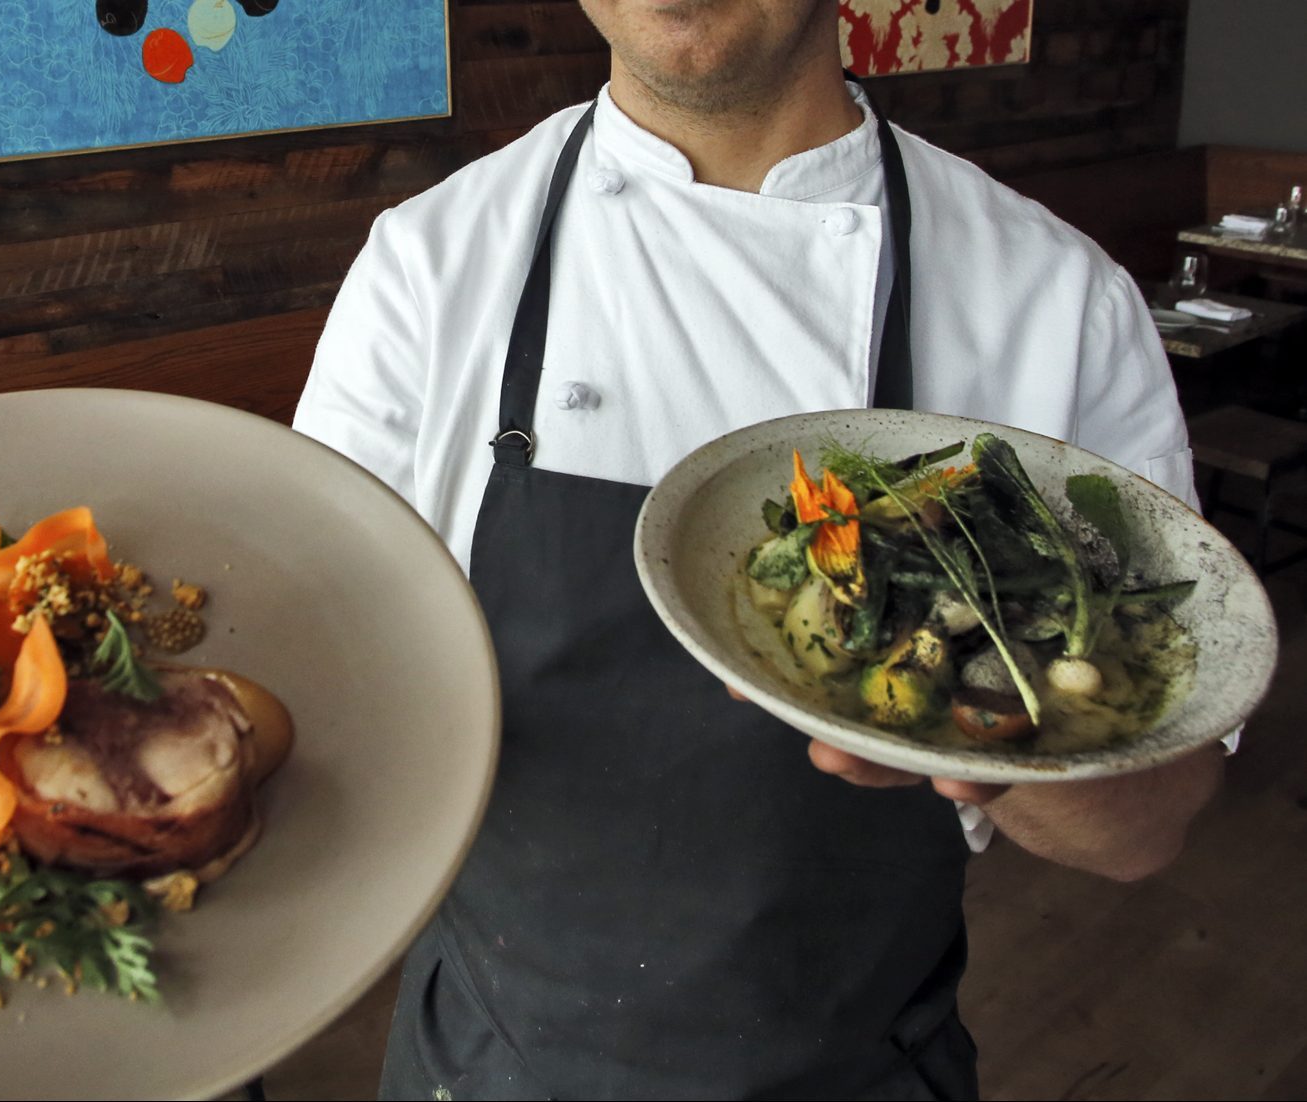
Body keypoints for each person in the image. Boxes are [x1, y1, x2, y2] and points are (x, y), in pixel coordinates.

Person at [293, 1, 1223, 1097]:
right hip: (490, 1064)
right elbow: (328, 700)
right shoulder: (428, 272)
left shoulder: (1052, 300)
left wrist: (974, 733)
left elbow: (1144, 828)